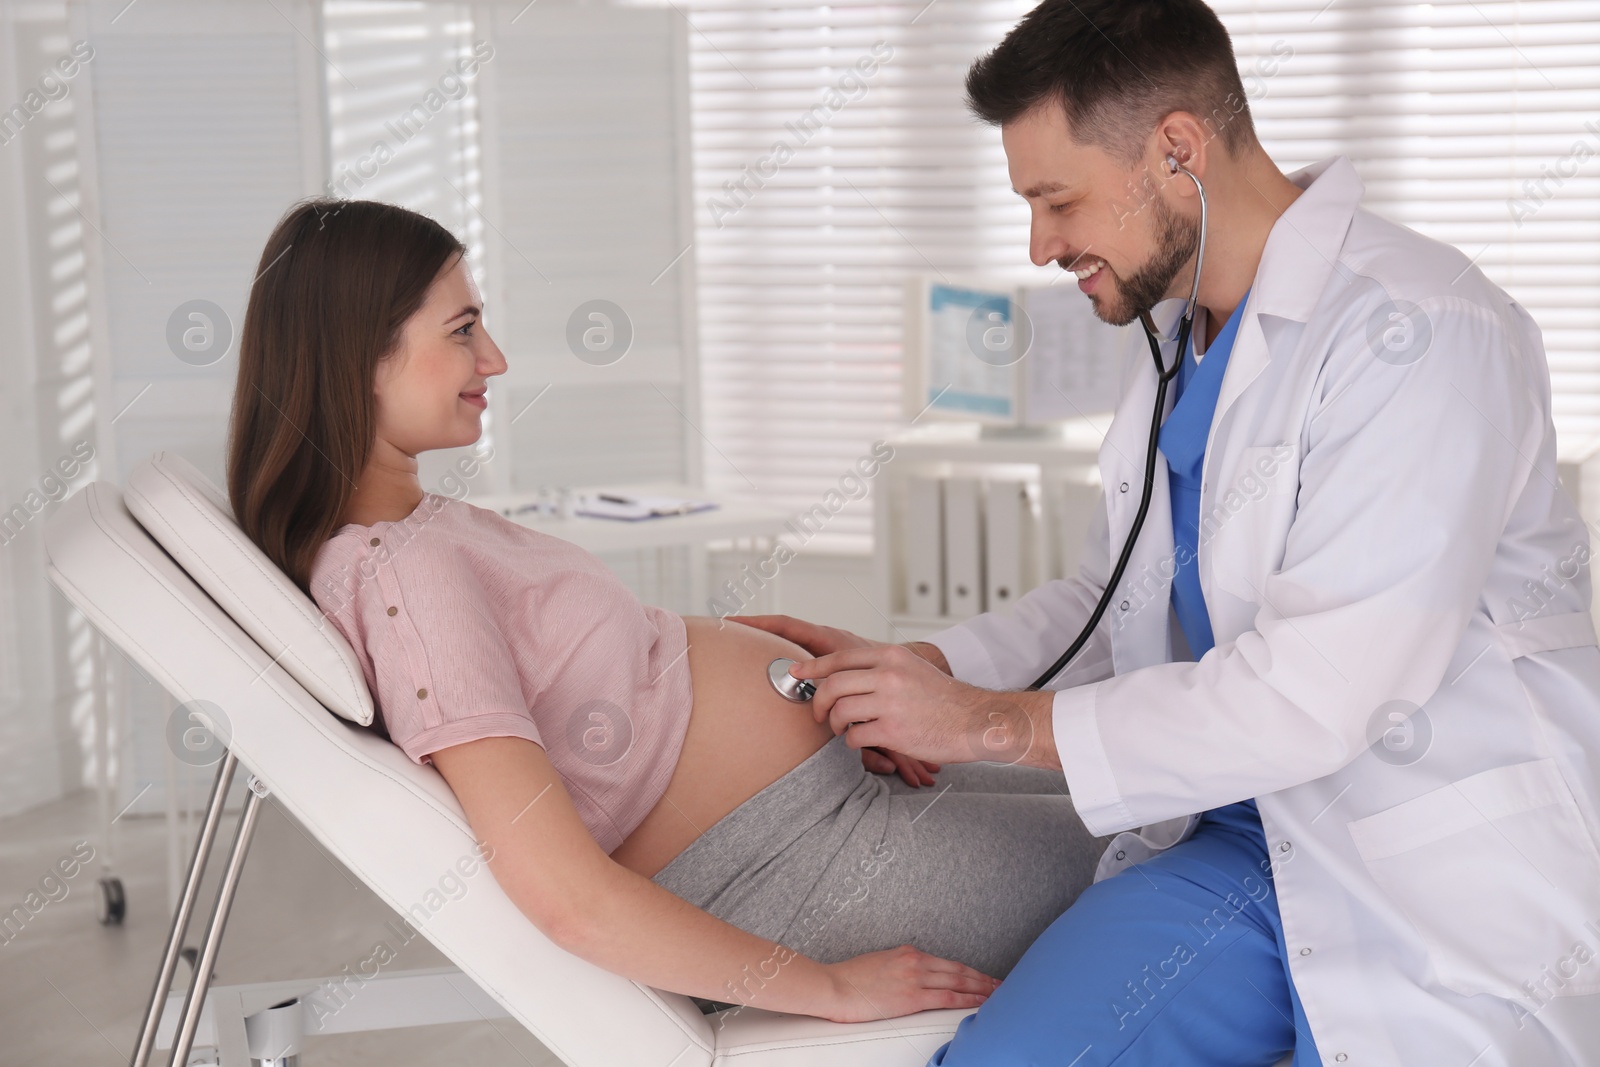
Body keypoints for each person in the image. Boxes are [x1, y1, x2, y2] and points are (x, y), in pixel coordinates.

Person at [739, 1, 1600, 1063]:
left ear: (1176, 151)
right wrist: (924, 667)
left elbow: (1319, 693)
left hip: (1418, 861)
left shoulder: (1417, 331)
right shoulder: (1178, 341)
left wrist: (984, 724)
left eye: (1057, 201)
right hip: (1234, 846)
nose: (1040, 244)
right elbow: (1117, 604)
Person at [223, 197, 1113, 1026]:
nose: (493, 358)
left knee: (1154, 790)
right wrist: (824, 987)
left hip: (832, 797)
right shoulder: (404, 582)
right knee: (1165, 851)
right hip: (795, 863)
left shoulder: (418, 530)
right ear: (357, 357)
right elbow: (565, 894)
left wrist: (816, 705)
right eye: (462, 331)